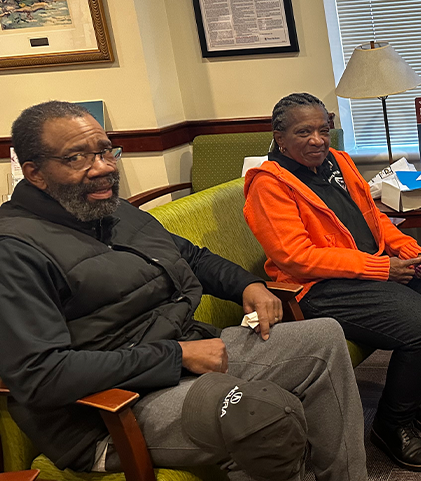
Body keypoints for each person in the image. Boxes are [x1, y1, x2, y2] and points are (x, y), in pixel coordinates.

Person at [0, 101, 367, 481]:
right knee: (263, 415)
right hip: (113, 408)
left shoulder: (111, 210)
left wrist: (249, 285)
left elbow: (192, 257)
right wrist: (175, 356)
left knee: (323, 337)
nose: (105, 167)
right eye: (77, 157)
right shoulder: (14, 249)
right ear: (35, 173)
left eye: (106, 151)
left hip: (186, 349)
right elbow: (41, 375)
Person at [243, 93, 421, 473]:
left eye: (323, 129)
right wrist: (382, 269)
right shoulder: (269, 184)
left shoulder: (339, 162)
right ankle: (391, 422)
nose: (318, 140)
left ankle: (410, 396)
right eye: (304, 132)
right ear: (279, 138)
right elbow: (296, 257)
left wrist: (408, 248)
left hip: (371, 265)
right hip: (317, 288)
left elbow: (375, 218)